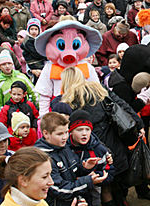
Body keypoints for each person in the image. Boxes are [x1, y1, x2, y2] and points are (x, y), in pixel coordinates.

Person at [59, 76, 143, 206]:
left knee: (104, 188)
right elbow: (122, 105)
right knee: (115, 182)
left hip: (89, 152)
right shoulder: (99, 90)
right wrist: (139, 123)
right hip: (113, 143)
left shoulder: (69, 101)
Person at [34, 112, 104, 205]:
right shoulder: (43, 158)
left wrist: (84, 167)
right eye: (59, 134)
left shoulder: (64, 147)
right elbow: (58, 189)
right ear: (46, 134)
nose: (65, 137)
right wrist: (87, 181)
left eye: (66, 132)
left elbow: (74, 170)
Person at [0, 146, 72, 206]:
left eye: (50, 174)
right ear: (23, 180)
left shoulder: (39, 202)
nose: (51, 182)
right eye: (44, 177)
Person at [68, 110, 115, 206]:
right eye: (79, 130)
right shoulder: (65, 149)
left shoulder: (98, 149)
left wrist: (95, 178)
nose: (84, 133)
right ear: (71, 132)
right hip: (70, 195)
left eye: (87, 129)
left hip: (93, 196)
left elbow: (109, 171)